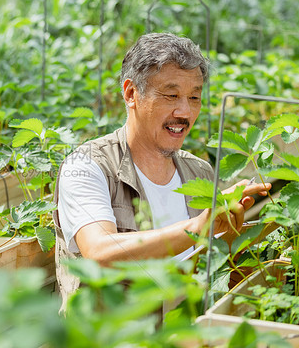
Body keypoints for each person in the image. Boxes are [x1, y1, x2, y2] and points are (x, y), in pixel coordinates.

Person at [52, 33, 270, 308]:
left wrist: (230, 232)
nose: (185, 112)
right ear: (131, 94)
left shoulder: (199, 172)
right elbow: (99, 252)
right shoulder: (86, 166)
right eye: (171, 95)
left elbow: (210, 269)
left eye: (194, 97)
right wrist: (195, 227)